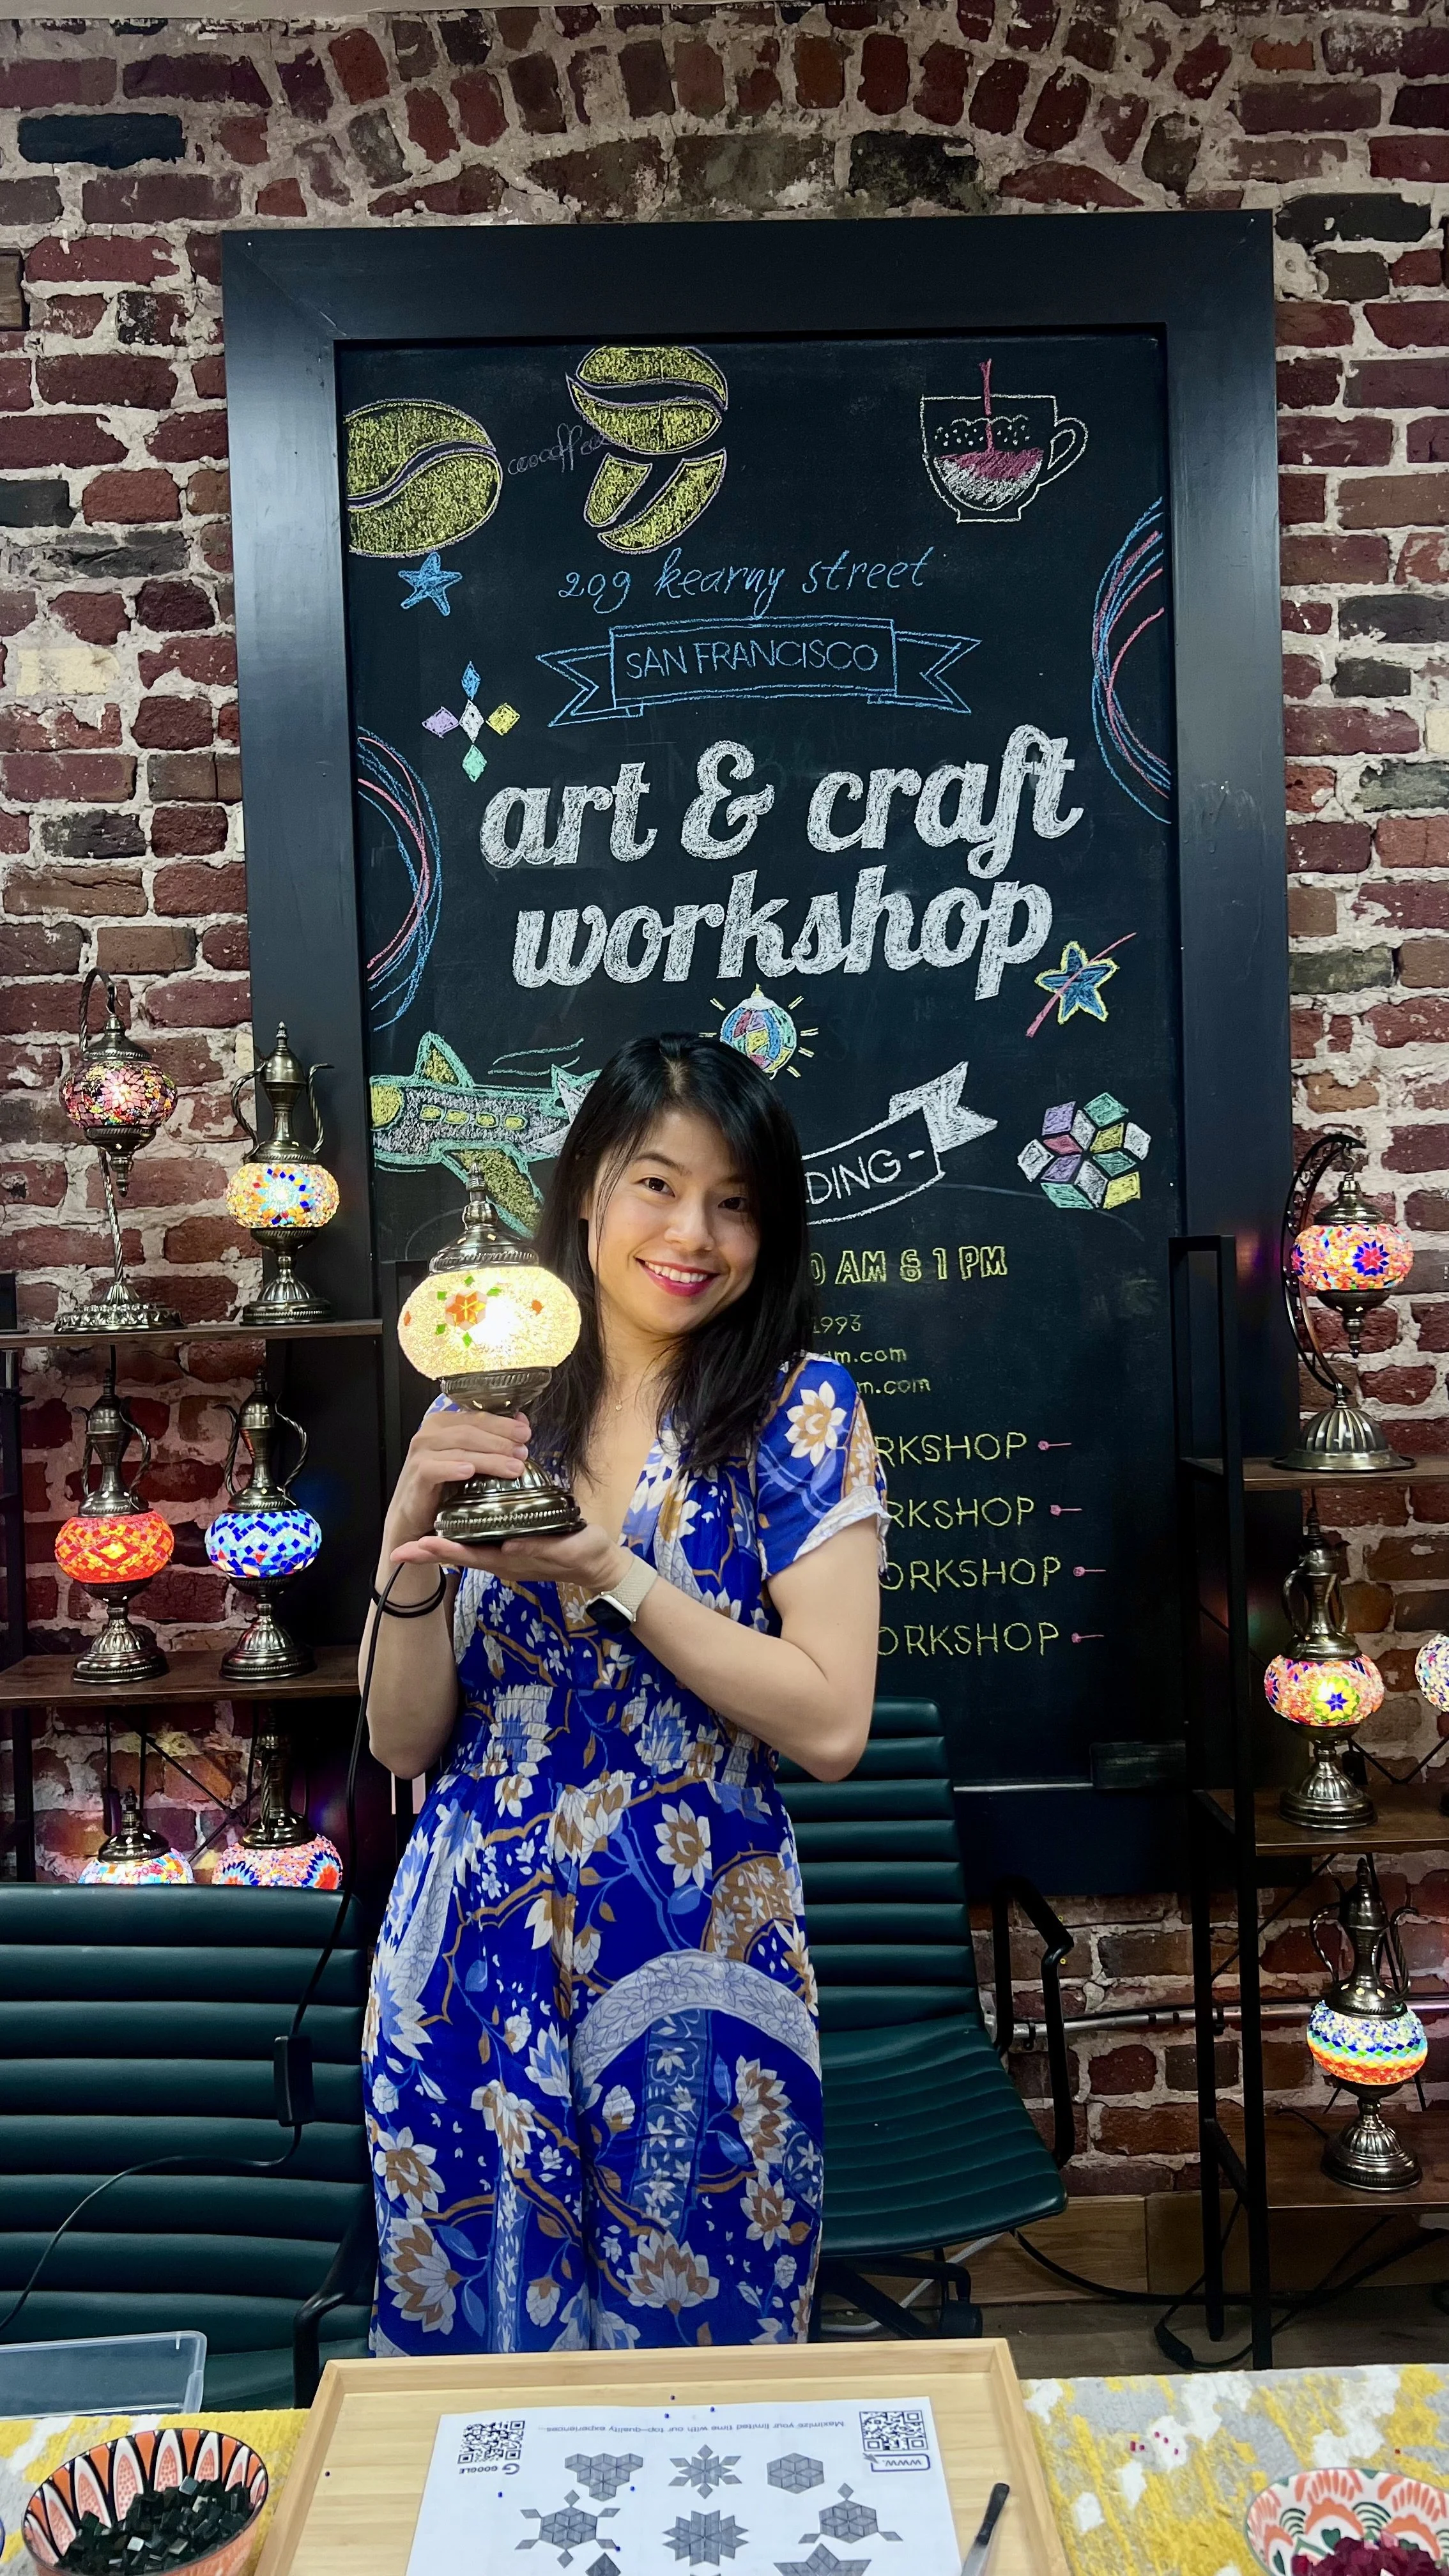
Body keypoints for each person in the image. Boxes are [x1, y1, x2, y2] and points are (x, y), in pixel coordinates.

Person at [361, 1032, 887, 2352]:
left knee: (697, 2357)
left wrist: (610, 1570)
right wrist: (406, 1532)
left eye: (734, 1202)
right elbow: (401, 1734)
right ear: (587, 1186)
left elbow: (830, 1723)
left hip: (695, 1943)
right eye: (657, 1184)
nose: (693, 1233)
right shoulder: (498, 1403)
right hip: (468, 1956)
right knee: (478, 2366)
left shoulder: (798, 1413)